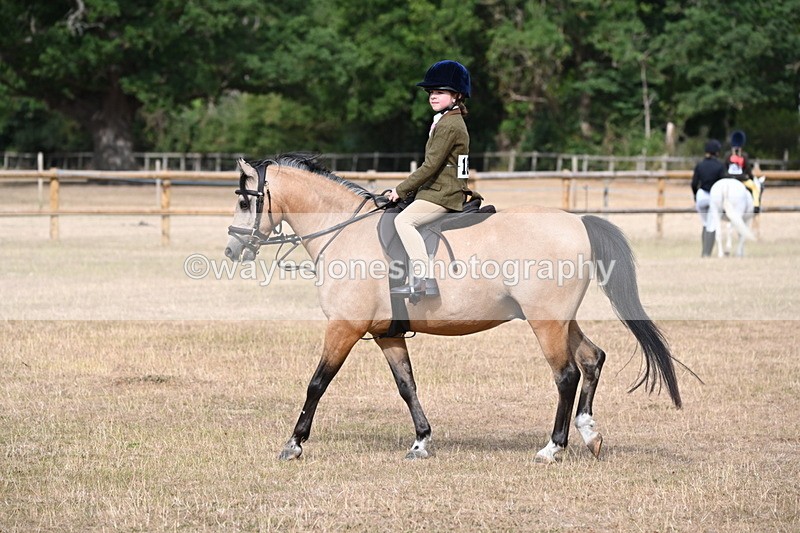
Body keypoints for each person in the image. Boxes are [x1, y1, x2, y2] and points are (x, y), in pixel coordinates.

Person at [387, 60, 471, 299]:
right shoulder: (446, 121)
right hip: (441, 188)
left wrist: (401, 190)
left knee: (404, 221)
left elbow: (431, 165)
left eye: (440, 92)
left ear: (456, 95)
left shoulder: (450, 125)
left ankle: (423, 279)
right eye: (431, 92)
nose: (433, 96)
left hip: (443, 193)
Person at [691, 139, 726, 257]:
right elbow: (723, 184)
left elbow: (694, 183)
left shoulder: (699, 165)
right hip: (713, 198)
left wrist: (696, 197)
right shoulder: (720, 166)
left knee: (705, 223)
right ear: (716, 152)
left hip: (701, 196)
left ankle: (704, 251)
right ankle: (706, 253)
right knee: (712, 225)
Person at [724, 130, 760, 213]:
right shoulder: (744, 155)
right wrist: (752, 177)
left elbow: (724, 167)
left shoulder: (727, 155)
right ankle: (756, 206)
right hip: (742, 179)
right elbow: (748, 169)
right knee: (754, 187)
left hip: (729, 178)